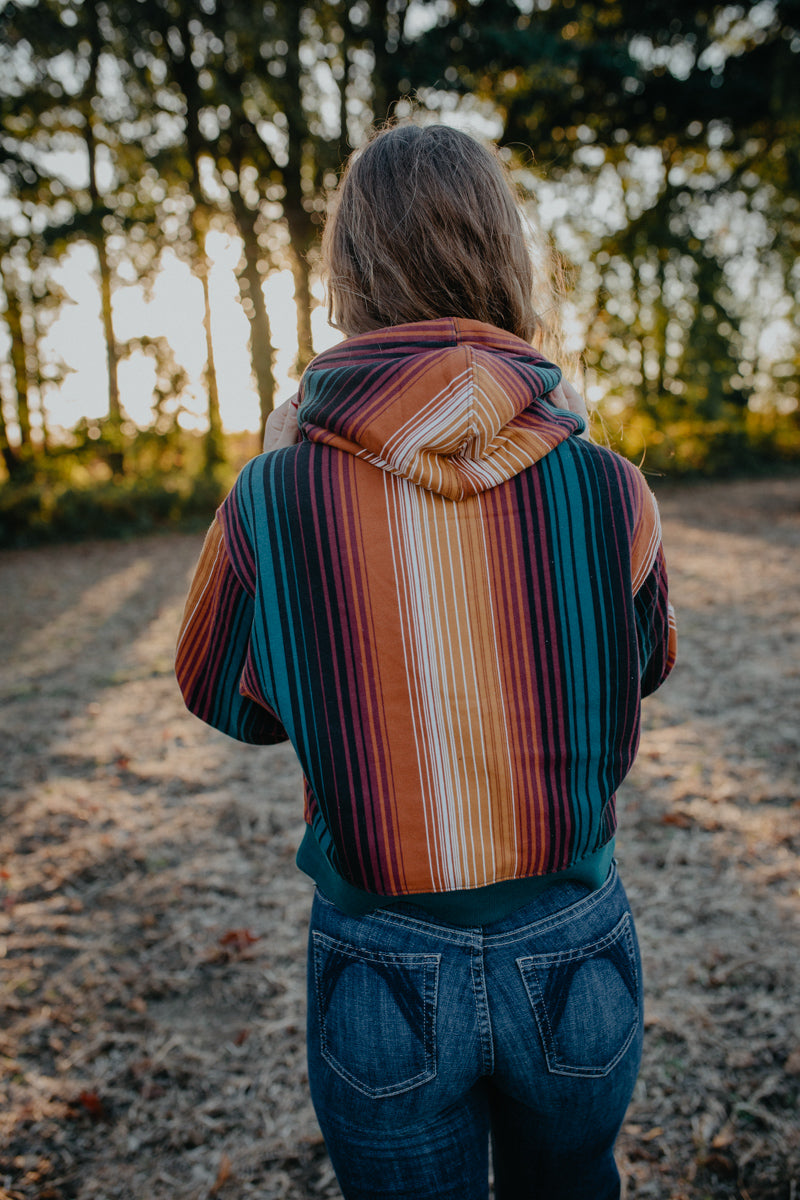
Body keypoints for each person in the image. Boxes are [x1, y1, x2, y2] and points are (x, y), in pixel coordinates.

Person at [176, 121, 677, 1200]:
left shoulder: (276, 494)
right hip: (572, 940)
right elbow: (637, 668)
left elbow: (226, 699)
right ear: (504, 258)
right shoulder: (610, 488)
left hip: (381, 963)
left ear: (349, 275)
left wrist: (277, 472)